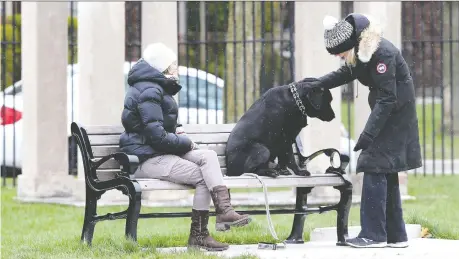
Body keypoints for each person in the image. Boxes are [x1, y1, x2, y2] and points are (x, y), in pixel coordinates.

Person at [119, 42, 251, 251]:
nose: (176, 69)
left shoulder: (155, 88)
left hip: (160, 152)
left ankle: (224, 210)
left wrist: (179, 133)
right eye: (172, 65)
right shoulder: (149, 91)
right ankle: (199, 235)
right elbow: (157, 137)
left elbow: (161, 127)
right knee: (201, 176)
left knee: (208, 156)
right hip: (146, 159)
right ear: (162, 67)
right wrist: (186, 142)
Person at [315, 13, 422, 248]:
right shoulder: (362, 51)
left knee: (373, 163)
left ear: (348, 45)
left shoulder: (381, 53)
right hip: (388, 114)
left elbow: (387, 99)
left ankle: (373, 235)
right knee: (386, 168)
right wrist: (316, 83)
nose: (337, 56)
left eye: (338, 52)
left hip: (395, 116)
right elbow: (347, 73)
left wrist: (368, 134)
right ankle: (396, 236)